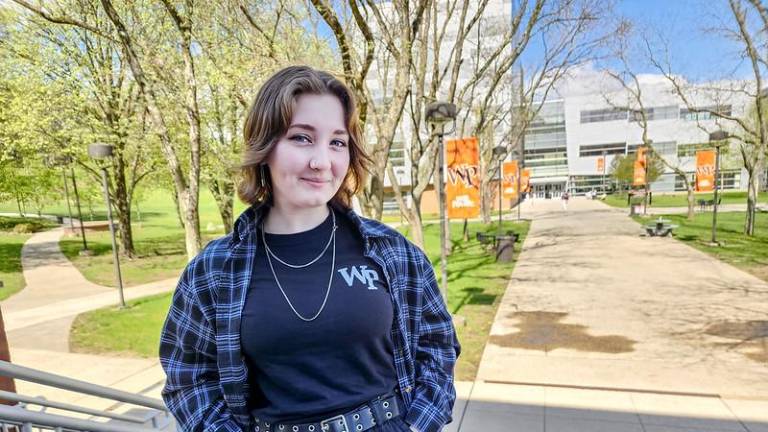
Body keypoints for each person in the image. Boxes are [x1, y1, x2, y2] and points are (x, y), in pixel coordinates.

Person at [159, 66, 460, 432]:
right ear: (265, 146)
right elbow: (189, 377)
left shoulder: (392, 252)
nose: (322, 162)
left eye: (337, 142)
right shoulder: (213, 271)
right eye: (302, 138)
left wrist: (415, 427)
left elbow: (437, 345)